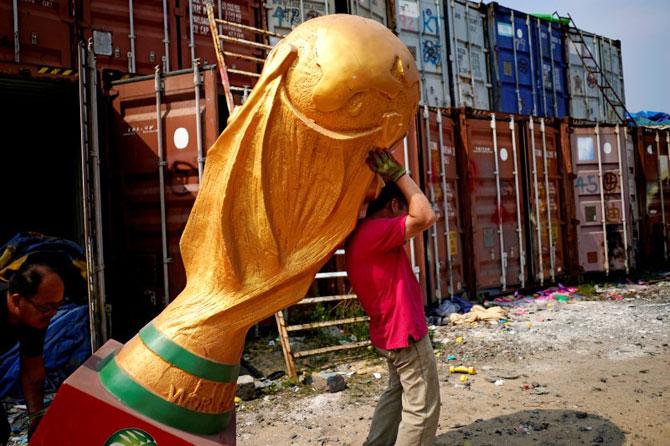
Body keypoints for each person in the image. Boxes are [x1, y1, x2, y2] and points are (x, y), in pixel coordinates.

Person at [345, 149, 441, 446]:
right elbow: (425, 216)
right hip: (404, 331)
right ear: (396, 204)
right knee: (423, 408)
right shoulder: (376, 232)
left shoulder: (361, 236)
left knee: (395, 393)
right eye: (403, 207)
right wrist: (399, 174)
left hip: (390, 333)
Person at [0, 252, 67, 445]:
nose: (52, 315)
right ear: (16, 300)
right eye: (46, 309)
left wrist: (36, 420)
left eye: (58, 307)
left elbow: (32, 370)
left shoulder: (34, 318)